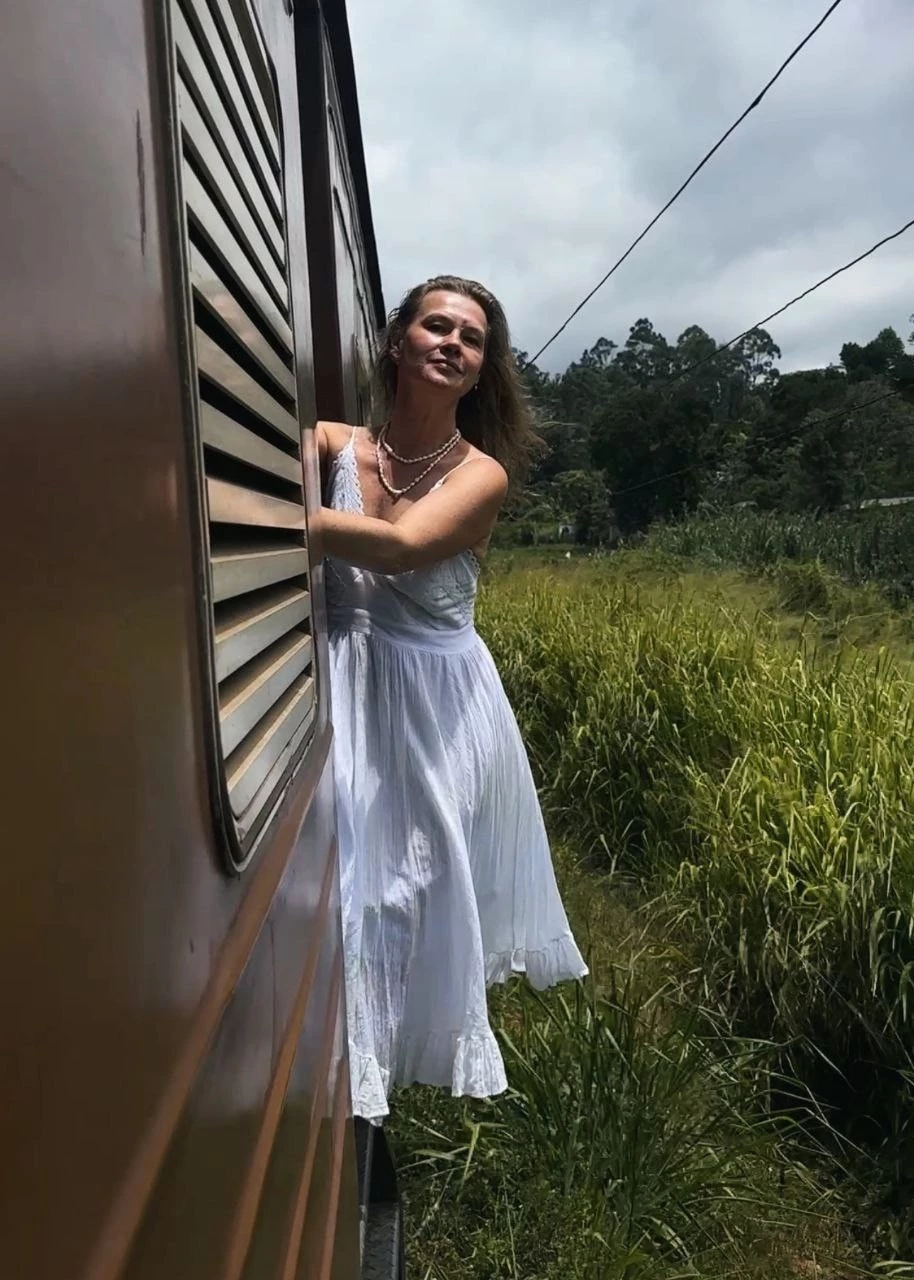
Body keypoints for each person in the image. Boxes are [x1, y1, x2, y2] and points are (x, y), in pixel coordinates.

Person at [315, 275, 587, 1124]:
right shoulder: (330, 445)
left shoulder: (482, 477)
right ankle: (346, 1077)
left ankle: (378, 1083)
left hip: (441, 704)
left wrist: (278, 518)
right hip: (347, 681)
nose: (453, 344)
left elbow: (400, 547)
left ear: (479, 371)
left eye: (471, 339)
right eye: (437, 326)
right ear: (398, 341)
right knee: (346, 880)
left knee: (407, 886)